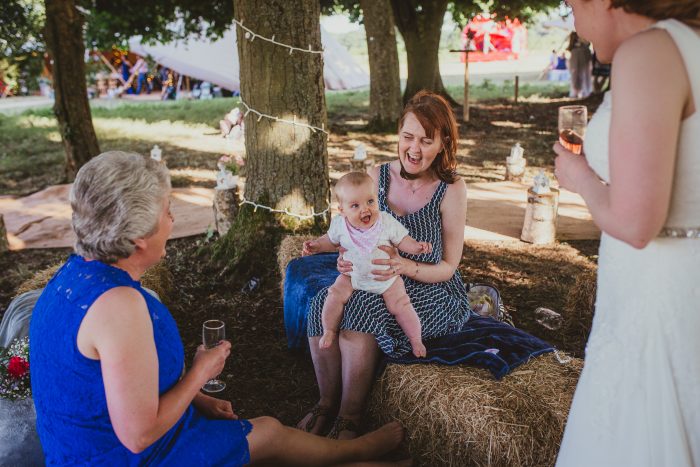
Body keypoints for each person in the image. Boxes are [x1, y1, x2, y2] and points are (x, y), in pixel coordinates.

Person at [29, 151, 405, 466]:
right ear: (137, 240)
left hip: (85, 445)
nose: (172, 220)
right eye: (167, 212)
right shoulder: (118, 305)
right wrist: (200, 373)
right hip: (122, 456)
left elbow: (109, 381)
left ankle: (348, 451)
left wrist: (197, 399)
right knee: (270, 432)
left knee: (269, 429)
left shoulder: (74, 276)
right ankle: (355, 451)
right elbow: (139, 435)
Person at [553, 1, 700, 465]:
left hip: (659, 296)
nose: (572, 16)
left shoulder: (650, 52)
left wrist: (580, 178)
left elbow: (637, 224)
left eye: (572, 3)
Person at [297, 90, 471, 439]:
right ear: (398, 136)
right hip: (370, 275)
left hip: (429, 284)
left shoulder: (451, 188)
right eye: (407, 137)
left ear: (443, 143)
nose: (414, 149)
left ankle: (350, 417)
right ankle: (326, 402)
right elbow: (349, 225)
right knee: (320, 304)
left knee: (361, 310)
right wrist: (343, 256)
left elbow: (450, 265)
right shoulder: (377, 176)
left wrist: (405, 267)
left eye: (426, 140)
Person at [302, 172, 432, 357]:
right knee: (334, 294)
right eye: (355, 205)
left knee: (401, 305)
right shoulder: (340, 225)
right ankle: (329, 330)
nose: (365, 210)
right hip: (353, 276)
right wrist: (316, 246)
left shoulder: (385, 221)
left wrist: (417, 247)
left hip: (386, 279)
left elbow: (403, 240)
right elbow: (329, 241)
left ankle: (415, 339)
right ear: (342, 210)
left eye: (370, 201)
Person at [566, 31, 593, 98]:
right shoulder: (575, 48)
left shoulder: (582, 47)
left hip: (582, 63)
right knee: (577, 76)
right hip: (577, 63)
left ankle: (582, 91)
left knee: (582, 75)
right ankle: (577, 91)